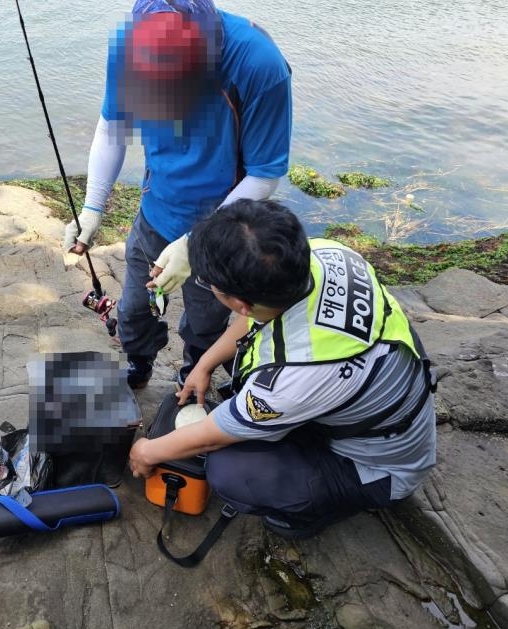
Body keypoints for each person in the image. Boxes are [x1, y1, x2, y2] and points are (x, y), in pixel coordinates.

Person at [128, 200, 437, 538]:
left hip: (376, 467)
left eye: (211, 286)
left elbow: (217, 433)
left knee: (230, 470)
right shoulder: (324, 254)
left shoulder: (294, 380)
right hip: (369, 408)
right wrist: (206, 363)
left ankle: (305, 515)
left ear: (239, 301)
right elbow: (255, 316)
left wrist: (147, 451)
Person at [63, 0, 292, 389]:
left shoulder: (259, 64)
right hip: (157, 209)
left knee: (205, 318)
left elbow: (265, 174)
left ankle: (194, 372)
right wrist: (92, 208)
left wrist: (198, 241)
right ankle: (139, 361)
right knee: (135, 308)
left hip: (223, 226)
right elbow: (111, 129)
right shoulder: (129, 51)